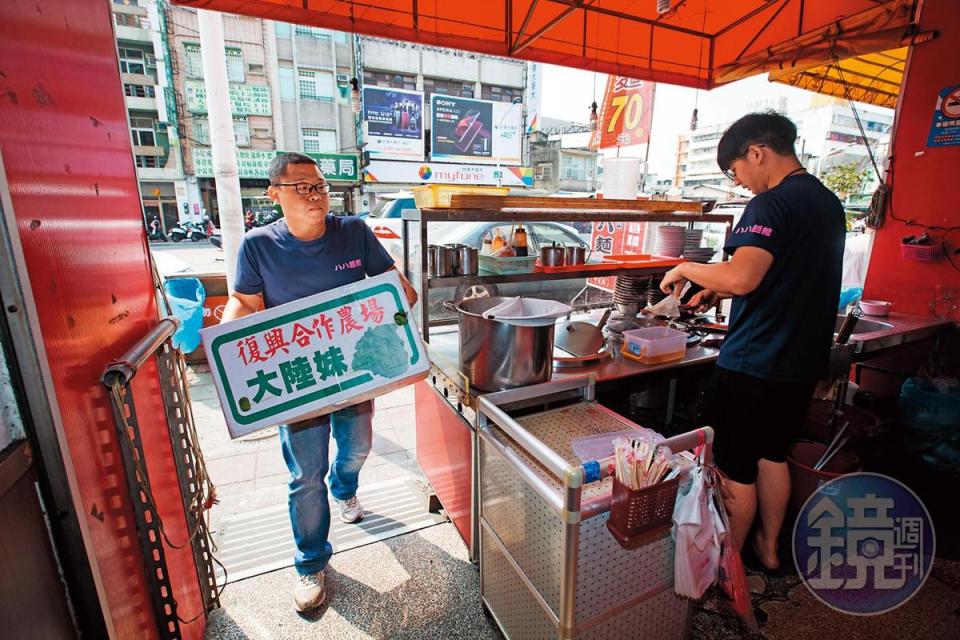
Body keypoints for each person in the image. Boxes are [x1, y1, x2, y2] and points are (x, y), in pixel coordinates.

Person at [219, 152, 418, 612]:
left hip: (354, 374)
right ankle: (310, 563)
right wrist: (223, 346)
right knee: (305, 474)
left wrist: (398, 292)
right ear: (274, 194)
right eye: (302, 186)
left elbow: (395, 288)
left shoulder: (353, 233)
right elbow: (244, 304)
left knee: (357, 449)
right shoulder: (256, 245)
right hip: (299, 382)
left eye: (321, 186)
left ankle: (345, 487)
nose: (316, 194)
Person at [659, 112, 844, 573]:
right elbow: (779, 273)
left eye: (736, 171)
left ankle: (726, 567)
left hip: (754, 362)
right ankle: (769, 549)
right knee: (772, 455)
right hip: (800, 363)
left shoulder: (769, 204)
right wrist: (713, 289)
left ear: (756, 153)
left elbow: (744, 276)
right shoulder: (826, 203)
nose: (739, 183)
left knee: (734, 466)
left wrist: (685, 268)